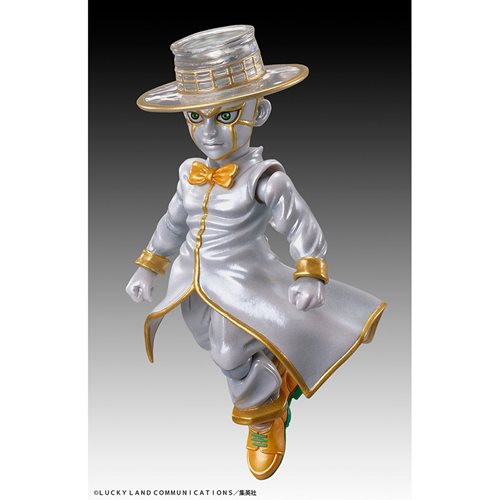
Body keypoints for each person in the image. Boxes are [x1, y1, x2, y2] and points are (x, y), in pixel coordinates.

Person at [126, 25, 386, 480]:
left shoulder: (264, 178)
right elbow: (172, 223)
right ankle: (273, 369)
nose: (209, 132)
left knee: (230, 355)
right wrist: (150, 265)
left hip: (243, 281)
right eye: (196, 117)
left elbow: (300, 224)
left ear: (258, 111)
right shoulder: (189, 174)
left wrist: (309, 273)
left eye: (225, 116)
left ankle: (264, 416)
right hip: (190, 283)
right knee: (211, 344)